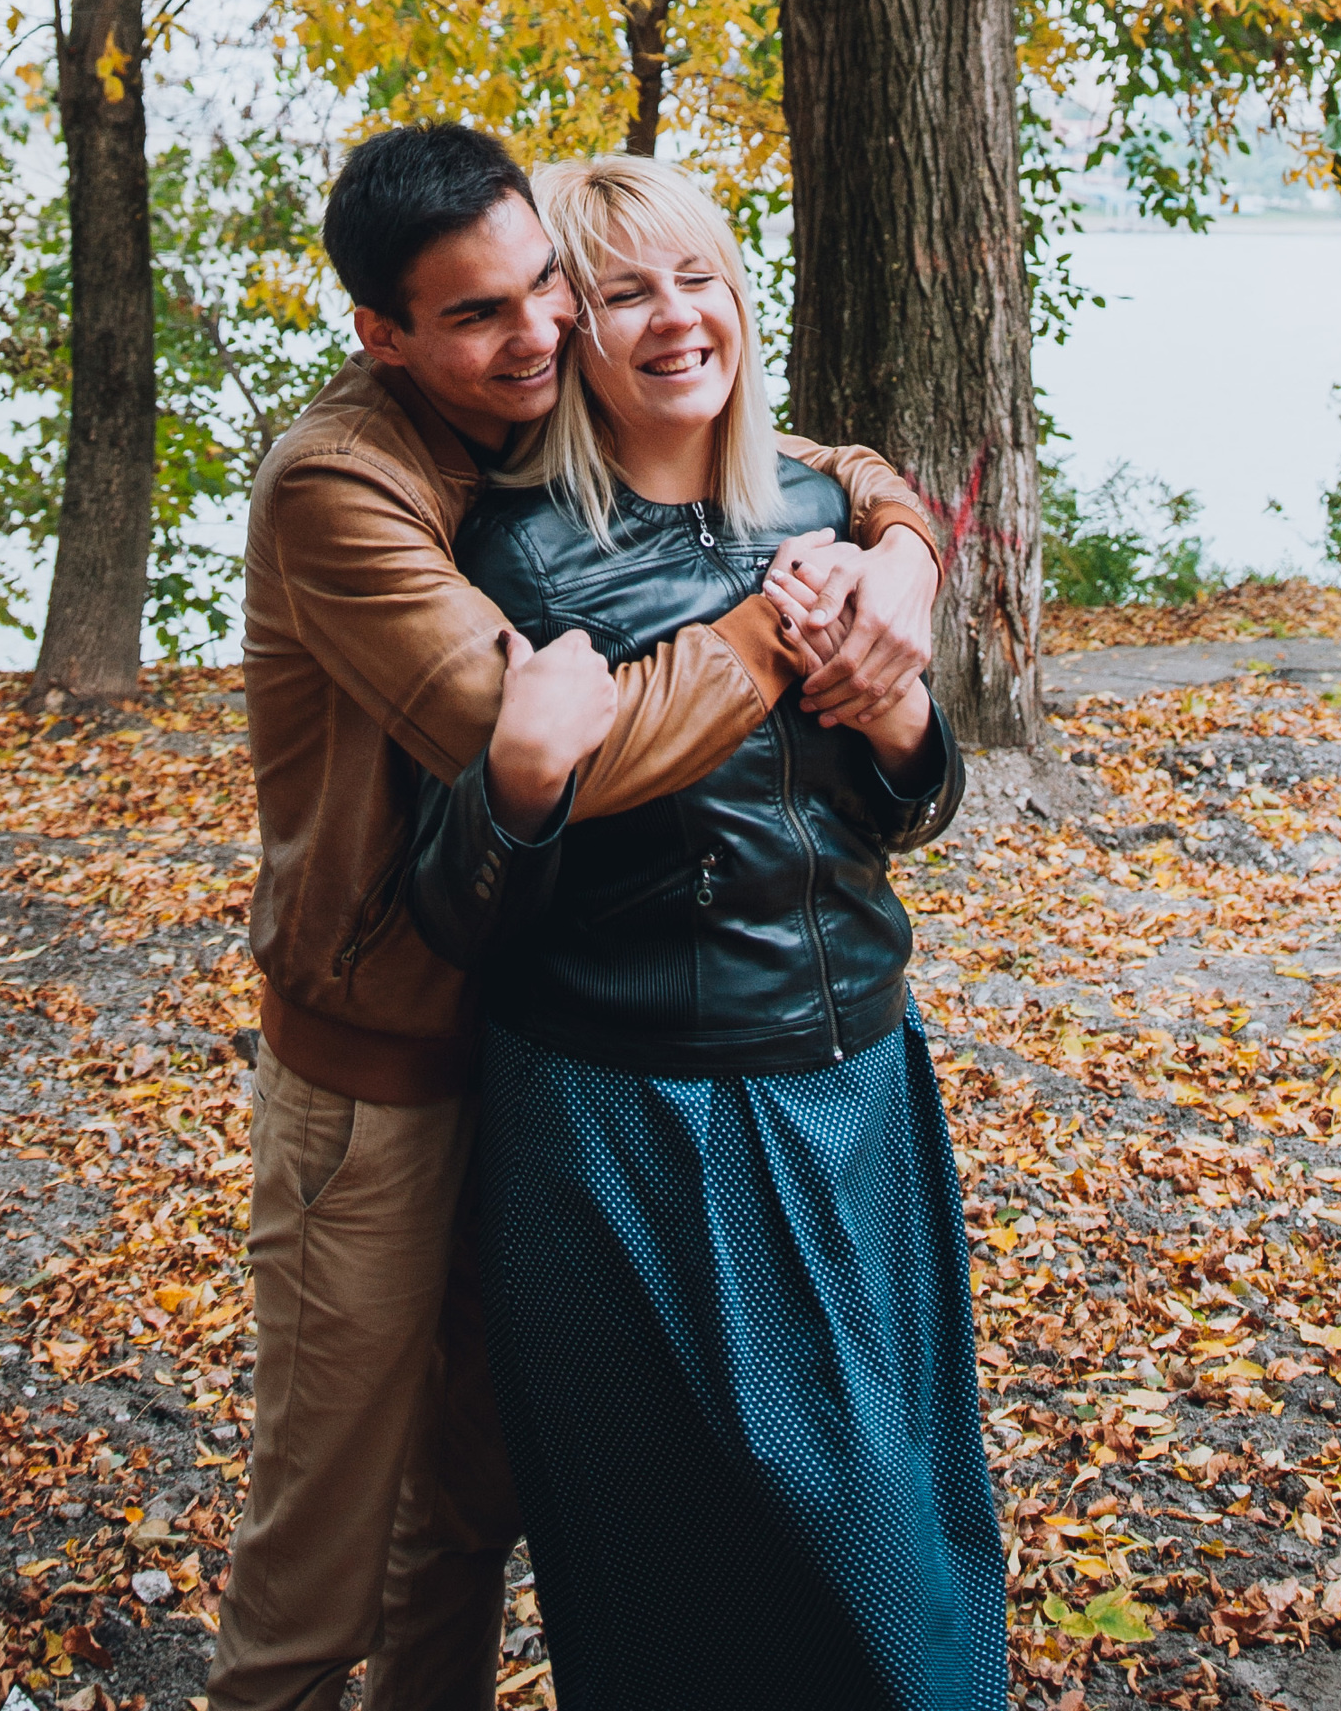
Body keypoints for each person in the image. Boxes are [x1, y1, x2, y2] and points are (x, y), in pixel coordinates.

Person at [210, 120, 946, 1711]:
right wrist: (780, 622)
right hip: (387, 1056)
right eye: (480, 314)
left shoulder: (541, 417)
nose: (535, 331)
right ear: (385, 336)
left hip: (546, 1050)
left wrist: (902, 546)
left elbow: (783, 441)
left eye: (546, 288)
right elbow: (557, 746)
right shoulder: (354, 485)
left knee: (471, 1502)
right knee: (326, 1525)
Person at [406, 151, 1008, 1711]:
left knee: (909, 1539)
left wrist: (897, 722)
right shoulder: (520, 561)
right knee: (693, 1582)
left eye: (700, 277)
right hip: (639, 1120)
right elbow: (465, 889)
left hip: (860, 1089)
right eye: (624, 293)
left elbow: (891, 817)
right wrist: (532, 783)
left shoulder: (816, 514)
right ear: (571, 337)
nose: (677, 318)